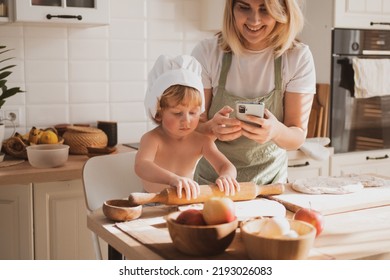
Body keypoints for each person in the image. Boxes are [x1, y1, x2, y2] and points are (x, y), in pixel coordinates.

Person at [192, 0, 316, 185]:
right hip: (212, 183)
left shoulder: (297, 57)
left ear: (282, 11)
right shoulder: (208, 52)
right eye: (244, 7)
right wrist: (210, 128)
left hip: (269, 184)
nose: (254, 20)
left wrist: (275, 131)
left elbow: (297, 135)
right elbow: (191, 127)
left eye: (265, 9)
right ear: (232, 9)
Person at [135, 54, 240, 200]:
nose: (186, 120)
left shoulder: (202, 141)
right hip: (152, 200)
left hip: (186, 200)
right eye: (177, 113)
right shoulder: (152, 139)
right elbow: (141, 166)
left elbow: (226, 166)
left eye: (193, 112)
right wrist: (173, 179)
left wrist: (227, 177)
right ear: (159, 113)